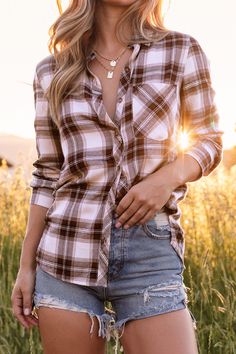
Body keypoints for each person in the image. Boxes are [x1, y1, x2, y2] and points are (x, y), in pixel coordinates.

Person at [11, 0, 223, 353]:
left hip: (149, 253)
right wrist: (25, 265)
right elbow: (49, 172)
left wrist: (165, 179)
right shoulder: (51, 70)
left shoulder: (181, 50)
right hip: (65, 252)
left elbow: (209, 141)